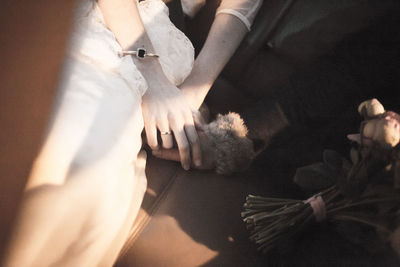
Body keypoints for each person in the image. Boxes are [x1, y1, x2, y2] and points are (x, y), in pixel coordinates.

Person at [3, 0, 262, 266]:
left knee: (85, 170)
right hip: (92, 22)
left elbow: (237, 12)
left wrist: (190, 98)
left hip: (150, 45)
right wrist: (153, 78)